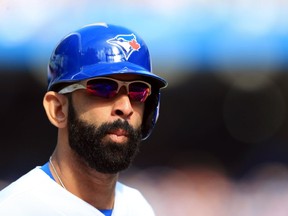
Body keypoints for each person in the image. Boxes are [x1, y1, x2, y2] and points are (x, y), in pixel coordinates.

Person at [0, 23, 167, 216]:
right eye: (103, 88)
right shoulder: (13, 209)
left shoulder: (138, 207)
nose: (125, 107)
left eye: (138, 91)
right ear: (58, 108)